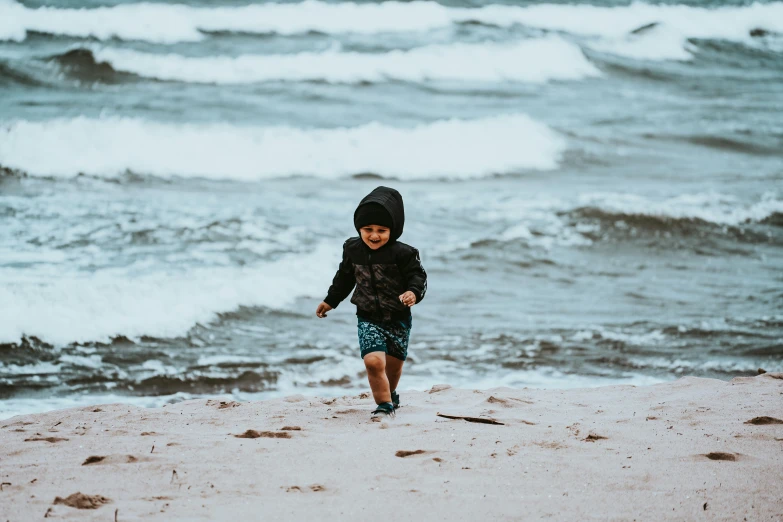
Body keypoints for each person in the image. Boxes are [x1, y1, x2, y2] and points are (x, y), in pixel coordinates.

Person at [315, 186, 427, 419]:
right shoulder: (352, 249)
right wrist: (331, 300)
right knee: (374, 362)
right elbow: (344, 277)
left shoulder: (404, 253)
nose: (374, 235)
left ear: (393, 229)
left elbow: (418, 277)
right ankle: (384, 405)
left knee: (393, 367)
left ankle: (391, 393)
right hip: (368, 316)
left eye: (382, 230)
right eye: (367, 229)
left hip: (398, 318)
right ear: (359, 228)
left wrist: (413, 293)